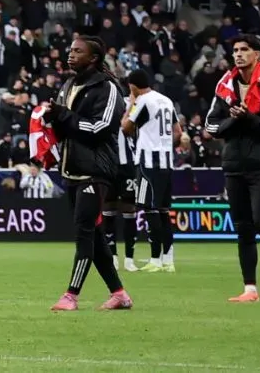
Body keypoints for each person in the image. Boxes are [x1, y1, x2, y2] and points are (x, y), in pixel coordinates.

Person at [43, 35, 132, 312]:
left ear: (93, 58)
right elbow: (65, 125)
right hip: (71, 169)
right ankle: (119, 293)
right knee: (92, 233)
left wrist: (63, 116)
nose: (70, 55)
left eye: (77, 52)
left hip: (96, 170)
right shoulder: (69, 84)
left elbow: (100, 129)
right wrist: (49, 119)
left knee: (84, 232)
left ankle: (71, 295)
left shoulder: (108, 88)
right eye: (70, 50)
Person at [207, 34, 260, 302]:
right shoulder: (225, 86)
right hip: (234, 165)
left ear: (257, 54)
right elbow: (210, 127)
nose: (238, 54)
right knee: (243, 228)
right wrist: (235, 120)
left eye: (245, 49)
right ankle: (250, 289)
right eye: (235, 50)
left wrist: (249, 118)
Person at [120, 69, 177, 273]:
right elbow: (177, 133)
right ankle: (168, 259)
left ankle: (155, 259)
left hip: (147, 162)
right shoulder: (167, 101)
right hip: (166, 161)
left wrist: (131, 104)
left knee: (149, 208)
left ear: (133, 86)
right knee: (163, 210)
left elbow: (125, 127)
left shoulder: (143, 100)